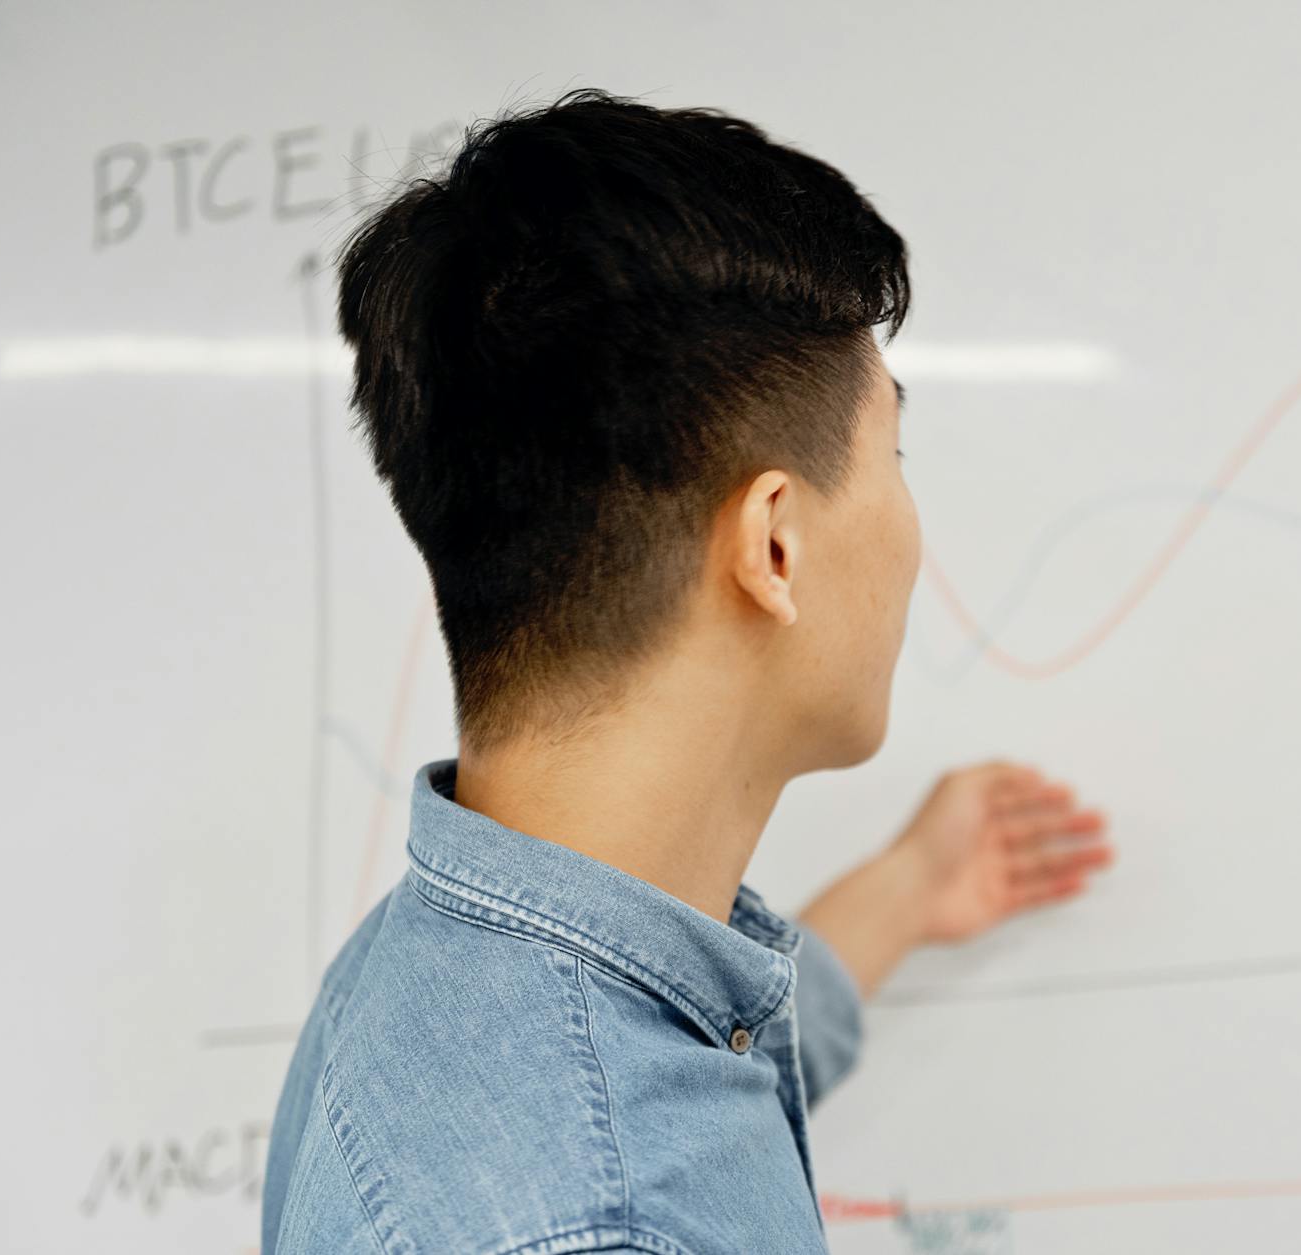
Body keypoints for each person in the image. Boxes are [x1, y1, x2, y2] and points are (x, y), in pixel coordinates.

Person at [261, 86, 1115, 1255]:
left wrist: (909, 887)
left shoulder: (422, 970)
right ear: (774, 546)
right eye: (892, 454)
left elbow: (661, 1054)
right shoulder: (603, 1224)